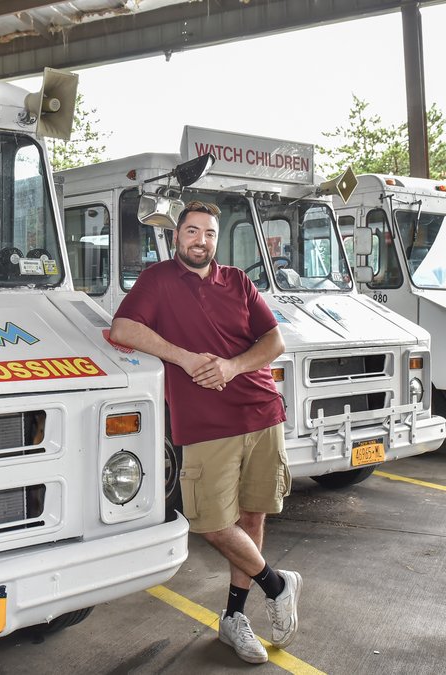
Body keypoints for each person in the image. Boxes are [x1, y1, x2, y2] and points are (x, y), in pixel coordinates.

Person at [110, 200, 300, 664]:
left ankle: (235, 618)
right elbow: (123, 328)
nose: (201, 240)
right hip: (207, 424)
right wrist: (186, 358)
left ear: (217, 239)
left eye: (210, 233)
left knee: (253, 518)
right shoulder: (157, 281)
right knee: (213, 523)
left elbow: (273, 340)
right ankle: (277, 584)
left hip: (261, 410)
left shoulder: (237, 281)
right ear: (177, 237)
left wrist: (233, 367)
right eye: (192, 231)